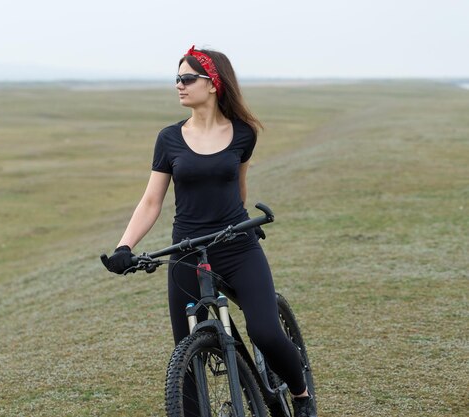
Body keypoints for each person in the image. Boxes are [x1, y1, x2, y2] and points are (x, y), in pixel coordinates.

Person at [102, 45, 317, 417]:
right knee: (186, 355)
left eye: (187, 78)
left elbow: (239, 189)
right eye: (177, 79)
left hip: (238, 248)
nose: (179, 85)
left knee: (265, 331)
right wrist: (125, 245)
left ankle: (301, 397)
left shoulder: (243, 134)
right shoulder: (169, 138)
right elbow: (152, 200)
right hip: (186, 250)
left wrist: (243, 222)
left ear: (213, 84)